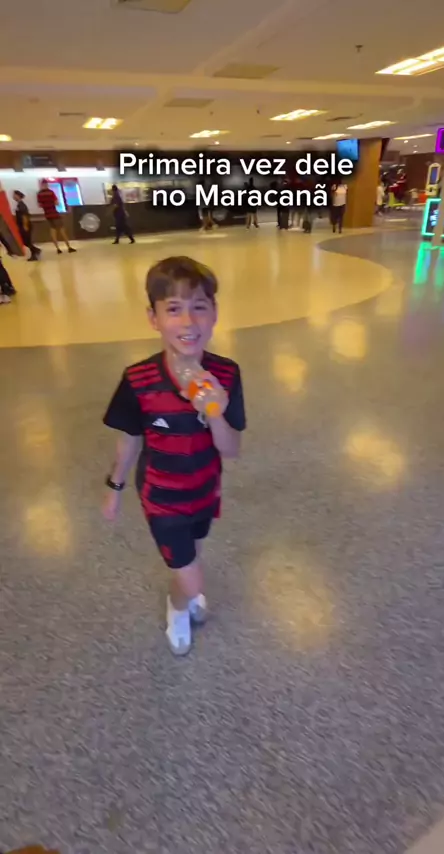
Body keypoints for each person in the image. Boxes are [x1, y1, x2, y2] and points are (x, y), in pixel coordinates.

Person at [102, 256, 246, 656]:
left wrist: (214, 410)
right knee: (193, 580)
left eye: (199, 307)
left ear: (214, 313)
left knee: (194, 554)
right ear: (154, 318)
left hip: (204, 490)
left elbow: (232, 449)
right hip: (161, 498)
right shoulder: (138, 380)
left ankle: (183, 588)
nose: (188, 322)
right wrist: (114, 487)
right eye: (173, 309)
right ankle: (178, 606)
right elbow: (130, 439)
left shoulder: (227, 374)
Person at [36, 180, 76, 255]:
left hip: (47, 214)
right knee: (62, 230)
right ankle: (69, 247)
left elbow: (39, 205)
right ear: (47, 184)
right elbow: (57, 203)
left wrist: (45, 205)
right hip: (54, 213)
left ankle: (58, 249)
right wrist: (52, 203)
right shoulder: (51, 192)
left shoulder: (39, 194)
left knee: (53, 231)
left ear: (41, 185)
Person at [13, 191, 41, 261]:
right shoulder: (19, 205)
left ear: (18, 196)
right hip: (22, 225)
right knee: (26, 241)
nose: (13, 197)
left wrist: (25, 225)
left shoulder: (21, 205)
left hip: (24, 225)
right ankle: (36, 250)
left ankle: (35, 254)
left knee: (27, 241)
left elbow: (24, 216)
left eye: (14, 195)